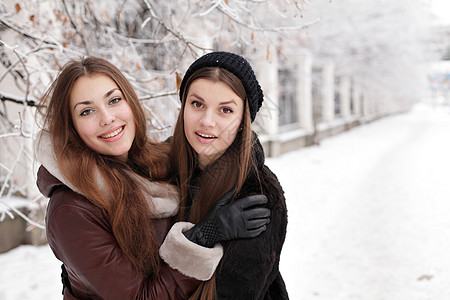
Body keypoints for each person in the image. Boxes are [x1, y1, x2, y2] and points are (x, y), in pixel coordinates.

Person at [34, 56, 270, 299]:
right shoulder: (72, 211)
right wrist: (204, 236)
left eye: (114, 100)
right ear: (71, 127)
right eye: (86, 111)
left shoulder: (153, 162)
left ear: (131, 103)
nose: (107, 118)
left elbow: (204, 143)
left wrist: (244, 147)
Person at [167, 51, 289, 299]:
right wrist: (205, 234)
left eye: (225, 110)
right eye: (197, 104)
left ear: (243, 119)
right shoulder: (157, 170)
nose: (207, 121)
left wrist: (200, 239)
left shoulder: (258, 195)